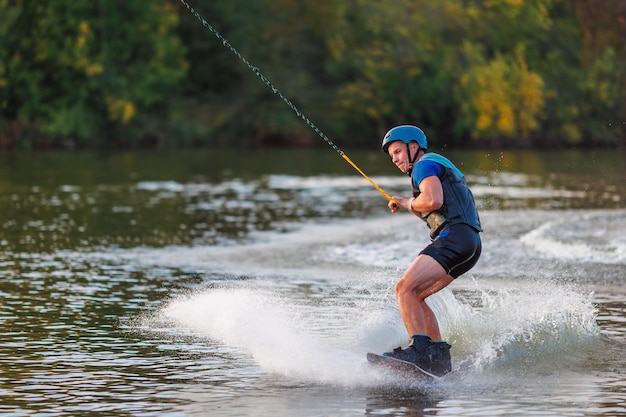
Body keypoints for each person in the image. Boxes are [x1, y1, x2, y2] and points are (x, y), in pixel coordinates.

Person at [379, 125, 482, 376]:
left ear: (413, 146)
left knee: (404, 288)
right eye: (392, 155)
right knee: (417, 295)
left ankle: (419, 350)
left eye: (397, 152)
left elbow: (433, 201)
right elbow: (437, 209)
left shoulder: (424, 165)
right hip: (470, 243)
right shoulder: (438, 165)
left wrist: (406, 202)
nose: (394, 159)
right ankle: (438, 357)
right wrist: (409, 205)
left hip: (454, 238)